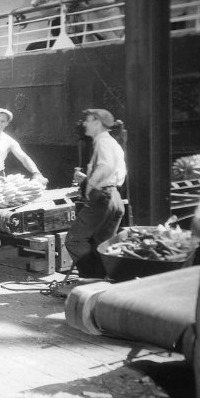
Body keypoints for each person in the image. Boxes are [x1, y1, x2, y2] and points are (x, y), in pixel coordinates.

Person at [65, 109, 127, 279]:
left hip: (101, 197)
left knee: (74, 240)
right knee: (103, 244)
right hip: (114, 197)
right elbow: (117, 174)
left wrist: (90, 185)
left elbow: (106, 166)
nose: (84, 123)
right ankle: (106, 280)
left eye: (88, 120)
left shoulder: (102, 142)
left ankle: (91, 280)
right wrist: (90, 178)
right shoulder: (113, 143)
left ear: (97, 122)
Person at [0, 108, 48, 182]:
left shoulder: (9, 141)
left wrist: (36, 173)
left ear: (7, 123)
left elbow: (24, 158)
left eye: (3, 121)